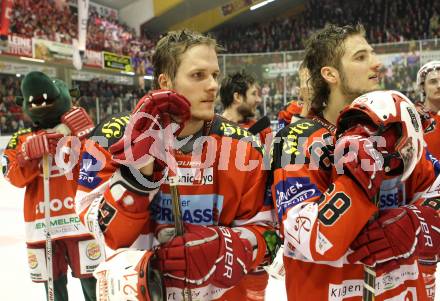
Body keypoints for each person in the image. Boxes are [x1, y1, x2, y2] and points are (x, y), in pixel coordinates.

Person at [75, 29, 275, 301]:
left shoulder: (245, 146)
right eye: (198, 75)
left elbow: (270, 242)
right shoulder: (111, 136)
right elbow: (104, 233)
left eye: (214, 75)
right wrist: (138, 175)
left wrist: (222, 248)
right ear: (165, 81)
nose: (213, 85)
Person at [271, 24, 440, 300]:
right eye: (361, 57)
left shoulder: (394, 127)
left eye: (372, 54)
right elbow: (314, 240)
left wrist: (414, 223)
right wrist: (355, 179)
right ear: (330, 74)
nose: (376, 64)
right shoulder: (294, 140)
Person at [2, 71, 100, 301]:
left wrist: (88, 135)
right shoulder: (21, 139)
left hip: (80, 222)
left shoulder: (80, 130)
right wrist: (27, 155)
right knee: (54, 291)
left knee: (92, 286)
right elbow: (12, 177)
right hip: (42, 226)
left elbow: (100, 167)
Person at [416, 60, 440, 300]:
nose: (439, 85)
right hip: (425, 200)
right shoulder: (413, 116)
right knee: (425, 264)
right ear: (422, 85)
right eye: (433, 81)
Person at [220, 70, 272, 145]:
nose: (259, 100)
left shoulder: (262, 130)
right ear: (237, 97)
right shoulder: (212, 131)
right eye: (254, 94)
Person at [277, 62, 312, 128]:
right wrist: (305, 110)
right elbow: (281, 137)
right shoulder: (288, 111)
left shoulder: (328, 109)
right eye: (304, 81)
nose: (308, 87)